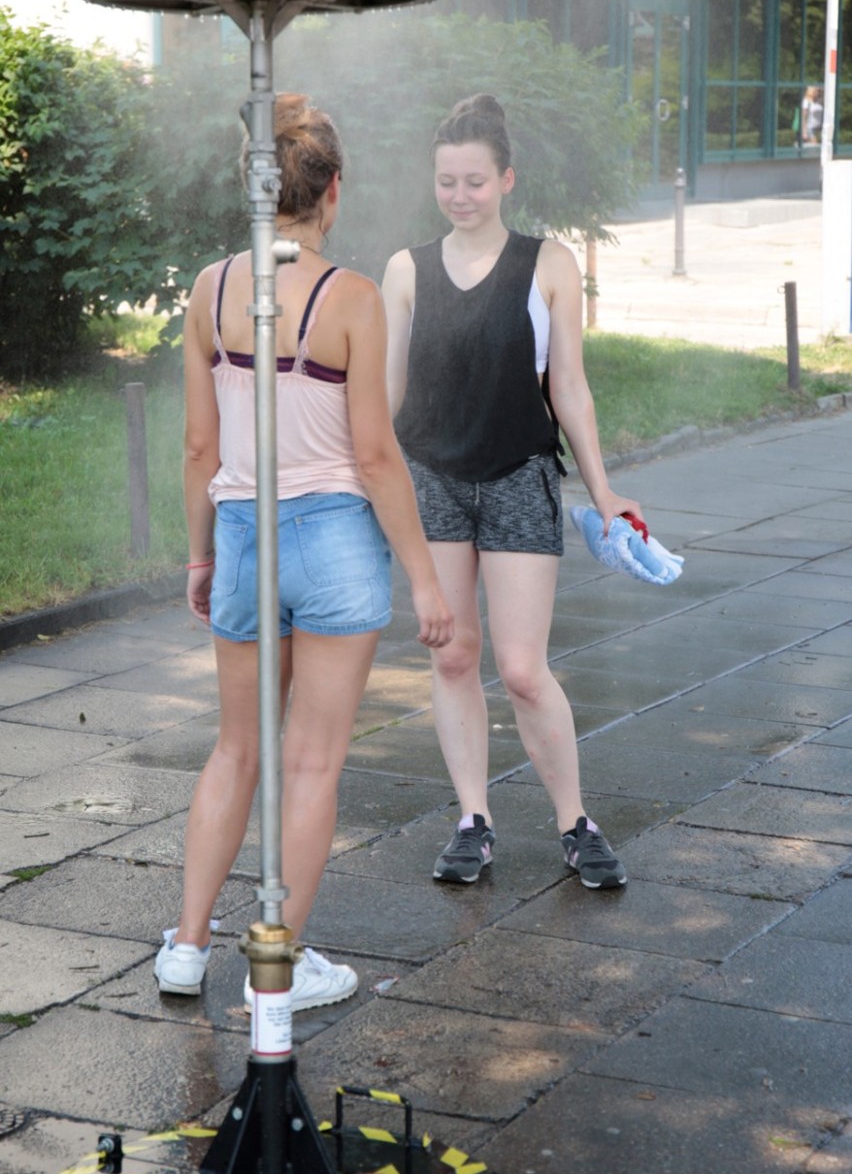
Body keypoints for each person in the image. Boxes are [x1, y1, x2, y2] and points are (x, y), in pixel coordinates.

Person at [155, 93, 453, 1004]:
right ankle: (273, 976)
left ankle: (186, 949)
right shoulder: (352, 298)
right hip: (332, 541)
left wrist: (202, 558)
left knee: (235, 749)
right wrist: (428, 582)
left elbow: (200, 449)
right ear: (332, 191)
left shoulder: (210, 289)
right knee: (314, 761)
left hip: (243, 536)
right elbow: (374, 456)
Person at [383, 93, 643, 891]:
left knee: (524, 668)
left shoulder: (549, 263)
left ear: (507, 180)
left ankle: (575, 823)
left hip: (520, 478)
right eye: (447, 182)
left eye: (475, 181)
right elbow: (385, 402)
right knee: (454, 655)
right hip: (433, 481)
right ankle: (472, 819)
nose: (460, 196)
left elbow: (571, 390)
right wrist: (358, 484)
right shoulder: (405, 270)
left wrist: (604, 495)